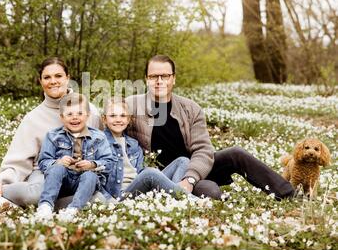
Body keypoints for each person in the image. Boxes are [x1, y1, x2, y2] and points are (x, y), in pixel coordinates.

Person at [125, 55, 294, 200]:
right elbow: (108, 132)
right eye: (154, 76)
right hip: (162, 175)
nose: (159, 81)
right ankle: (197, 194)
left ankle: (287, 193)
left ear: (173, 78)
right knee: (210, 191)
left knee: (236, 153)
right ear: (147, 79)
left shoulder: (190, 108)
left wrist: (190, 178)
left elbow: (203, 150)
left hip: (193, 169)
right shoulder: (131, 106)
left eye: (165, 76)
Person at [0, 57, 104, 208]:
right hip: (43, 173)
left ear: (68, 78)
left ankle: (47, 206)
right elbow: (18, 160)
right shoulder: (33, 118)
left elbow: (104, 147)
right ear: (41, 81)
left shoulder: (90, 111)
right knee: (37, 194)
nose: (53, 81)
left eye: (58, 76)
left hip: (79, 174)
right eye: (47, 77)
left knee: (98, 199)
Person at [35, 93, 114, 222]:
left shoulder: (98, 137)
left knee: (90, 175)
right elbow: (43, 162)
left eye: (79, 113)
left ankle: (73, 210)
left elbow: (109, 163)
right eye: (70, 114)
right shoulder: (53, 136)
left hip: (85, 183)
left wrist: (92, 164)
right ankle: (45, 206)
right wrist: (58, 162)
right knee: (57, 169)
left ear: (87, 115)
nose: (75, 118)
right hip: (62, 182)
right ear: (61, 117)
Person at [102, 97, 198, 200]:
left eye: (123, 116)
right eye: (112, 116)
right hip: (121, 194)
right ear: (104, 119)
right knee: (150, 173)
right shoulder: (100, 143)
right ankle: (192, 200)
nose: (118, 119)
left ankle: (175, 197)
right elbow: (97, 179)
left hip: (140, 189)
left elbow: (140, 171)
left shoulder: (133, 144)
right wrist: (108, 201)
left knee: (183, 161)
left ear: (128, 119)